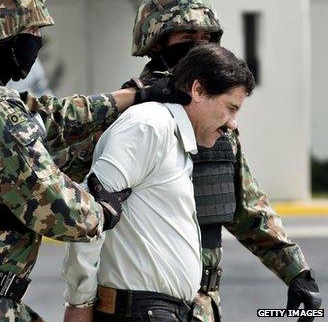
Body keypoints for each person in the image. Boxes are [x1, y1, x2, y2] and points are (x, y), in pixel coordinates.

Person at [0, 0, 190, 321]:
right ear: (3, 33)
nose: (38, 41)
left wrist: (129, 98)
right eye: (32, 31)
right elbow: (61, 212)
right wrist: (104, 207)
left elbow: (46, 121)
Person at [130, 0, 322, 322]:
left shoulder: (219, 115)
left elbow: (244, 205)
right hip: (147, 300)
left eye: (207, 36)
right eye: (187, 35)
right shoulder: (130, 112)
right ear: (156, 41)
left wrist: (296, 271)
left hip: (202, 303)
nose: (199, 43)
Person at [62, 43, 255, 322]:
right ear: (198, 90)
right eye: (230, 108)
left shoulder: (175, 138)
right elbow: (89, 214)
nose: (232, 123)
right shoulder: (147, 127)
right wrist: (79, 304)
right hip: (139, 312)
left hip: (163, 311)